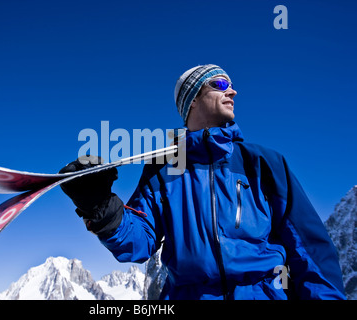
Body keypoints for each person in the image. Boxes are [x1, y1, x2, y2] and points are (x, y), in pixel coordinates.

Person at [59, 64, 346, 300]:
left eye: (231, 85)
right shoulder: (164, 169)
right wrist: (99, 205)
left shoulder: (263, 163)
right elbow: (139, 242)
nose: (232, 90)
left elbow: (309, 249)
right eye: (220, 84)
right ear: (193, 99)